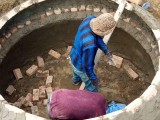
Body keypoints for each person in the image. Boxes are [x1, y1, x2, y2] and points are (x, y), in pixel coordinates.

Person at [69, 13, 116, 92]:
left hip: (73, 57)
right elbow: (87, 67)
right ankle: (94, 94)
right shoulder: (90, 45)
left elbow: (97, 38)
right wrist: (94, 80)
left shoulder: (89, 19)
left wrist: (107, 51)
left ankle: (75, 82)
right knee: (91, 85)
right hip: (81, 67)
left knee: (76, 73)